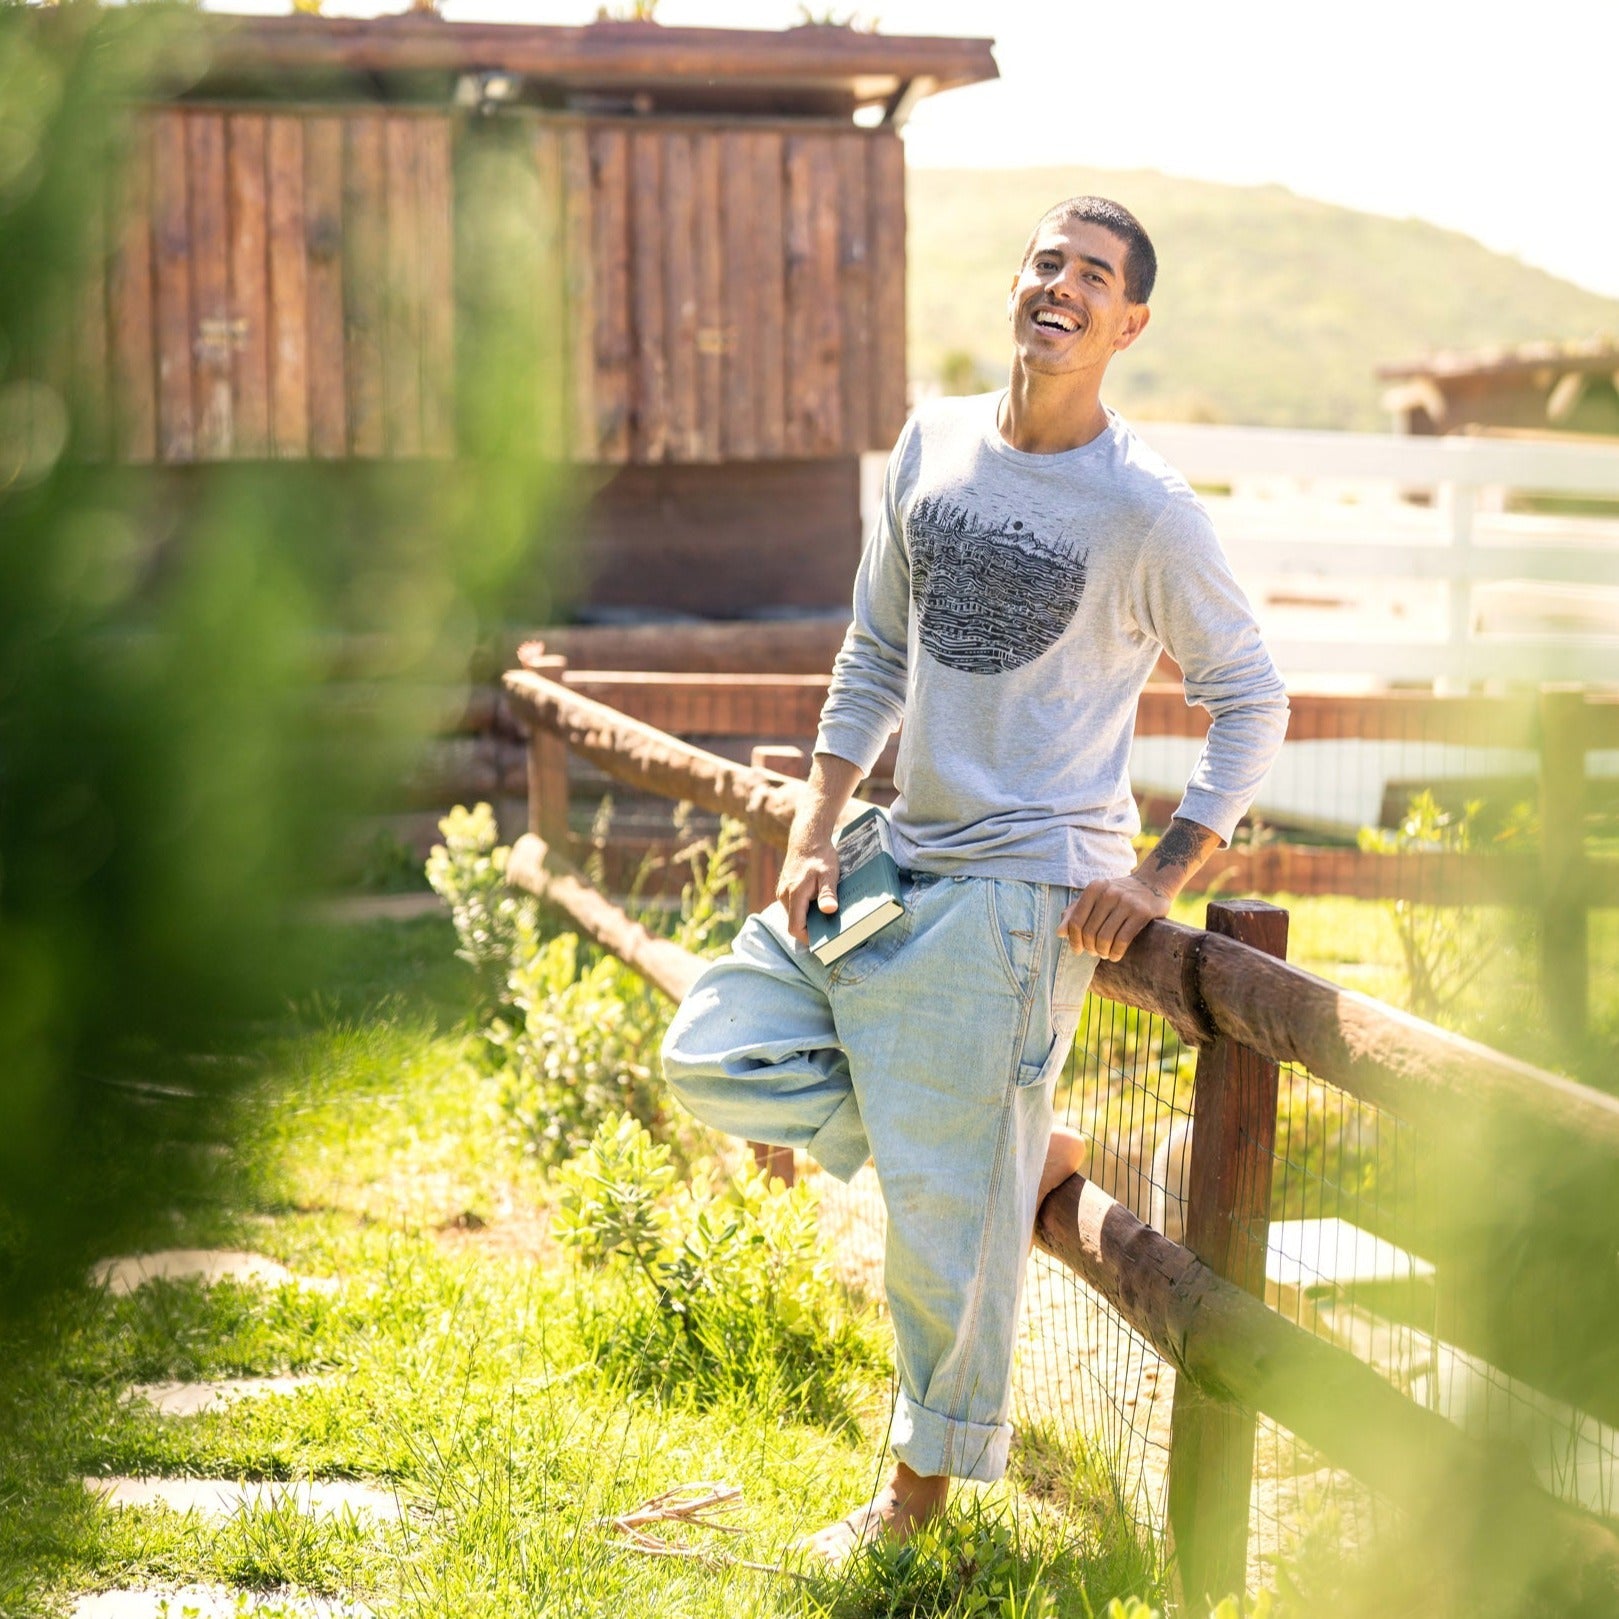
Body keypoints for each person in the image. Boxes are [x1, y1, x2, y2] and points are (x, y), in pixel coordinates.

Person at [660, 195, 1288, 1558]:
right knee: (715, 1044)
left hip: (1024, 890)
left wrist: (1161, 876)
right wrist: (814, 827)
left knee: (946, 1230)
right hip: (900, 852)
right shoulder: (933, 441)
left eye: (1096, 275)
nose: (1064, 284)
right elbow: (874, 648)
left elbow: (1253, 699)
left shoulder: (1147, 509)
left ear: (1129, 324)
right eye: (1048, 261)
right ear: (1017, 283)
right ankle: (1005, 1153)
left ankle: (916, 1500)